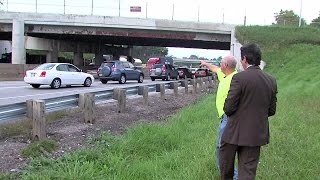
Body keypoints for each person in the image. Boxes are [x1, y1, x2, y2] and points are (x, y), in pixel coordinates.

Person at [220, 43, 278, 180]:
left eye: (241, 59)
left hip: (233, 132)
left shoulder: (239, 78)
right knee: (248, 172)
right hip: (256, 133)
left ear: (245, 59)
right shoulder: (271, 81)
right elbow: (271, 110)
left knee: (226, 168)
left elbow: (228, 108)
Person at [200, 55, 238, 179]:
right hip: (225, 118)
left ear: (225, 65)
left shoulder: (236, 80)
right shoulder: (225, 75)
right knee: (222, 148)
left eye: (221, 62)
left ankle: (233, 176)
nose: (219, 64)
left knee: (222, 148)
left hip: (229, 118)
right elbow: (215, 69)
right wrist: (205, 63)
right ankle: (230, 174)